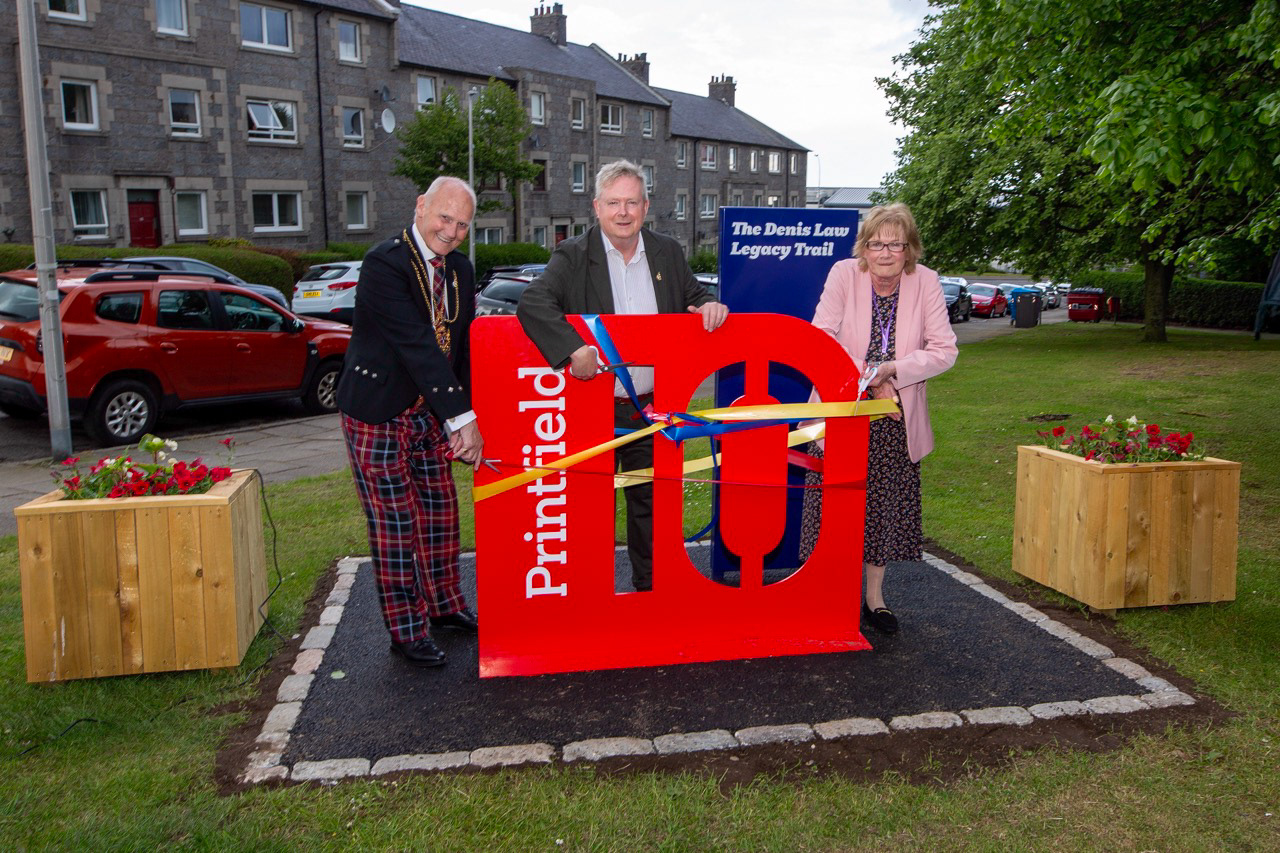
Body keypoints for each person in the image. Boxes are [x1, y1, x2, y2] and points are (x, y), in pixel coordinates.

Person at [517, 160, 729, 592]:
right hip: (593, 409)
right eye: (614, 202)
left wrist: (709, 303)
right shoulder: (572, 255)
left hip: (651, 409)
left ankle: (650, 595)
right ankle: (584, 599)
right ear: (596, 207)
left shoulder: (667, 251)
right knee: (586, 507)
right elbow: (534, 303)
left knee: (649, 507)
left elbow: (694, 294)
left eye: (632, 202)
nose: (623, 212)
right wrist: (571, 349)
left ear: (646, 206)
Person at [336, 176, 485, 668]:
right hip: (377, 411)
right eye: (445, 217)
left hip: (429, 412)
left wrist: (463, 415)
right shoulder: (384, 262)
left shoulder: (461, 268)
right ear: (421, 207)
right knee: (396, 525)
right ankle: (406, 630)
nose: (452, 231)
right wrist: (461, 417)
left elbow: (459, 349)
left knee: (442, 515)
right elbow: (417, 343)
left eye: (463, 224)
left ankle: (444, 606)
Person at [803, 203, 957, 634]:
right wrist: (869, 375)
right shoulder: (842, 275)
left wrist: (894, 371)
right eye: (877, 243)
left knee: (882, 510)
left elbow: (945, 350)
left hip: (895, 418)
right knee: (832, 505)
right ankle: (829, 594)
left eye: (896, 244)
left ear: (910, 250)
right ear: (864, 247)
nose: (886, 253)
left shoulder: (925, 281)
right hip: (842, 411)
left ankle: (875, 599)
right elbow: (821, 336)